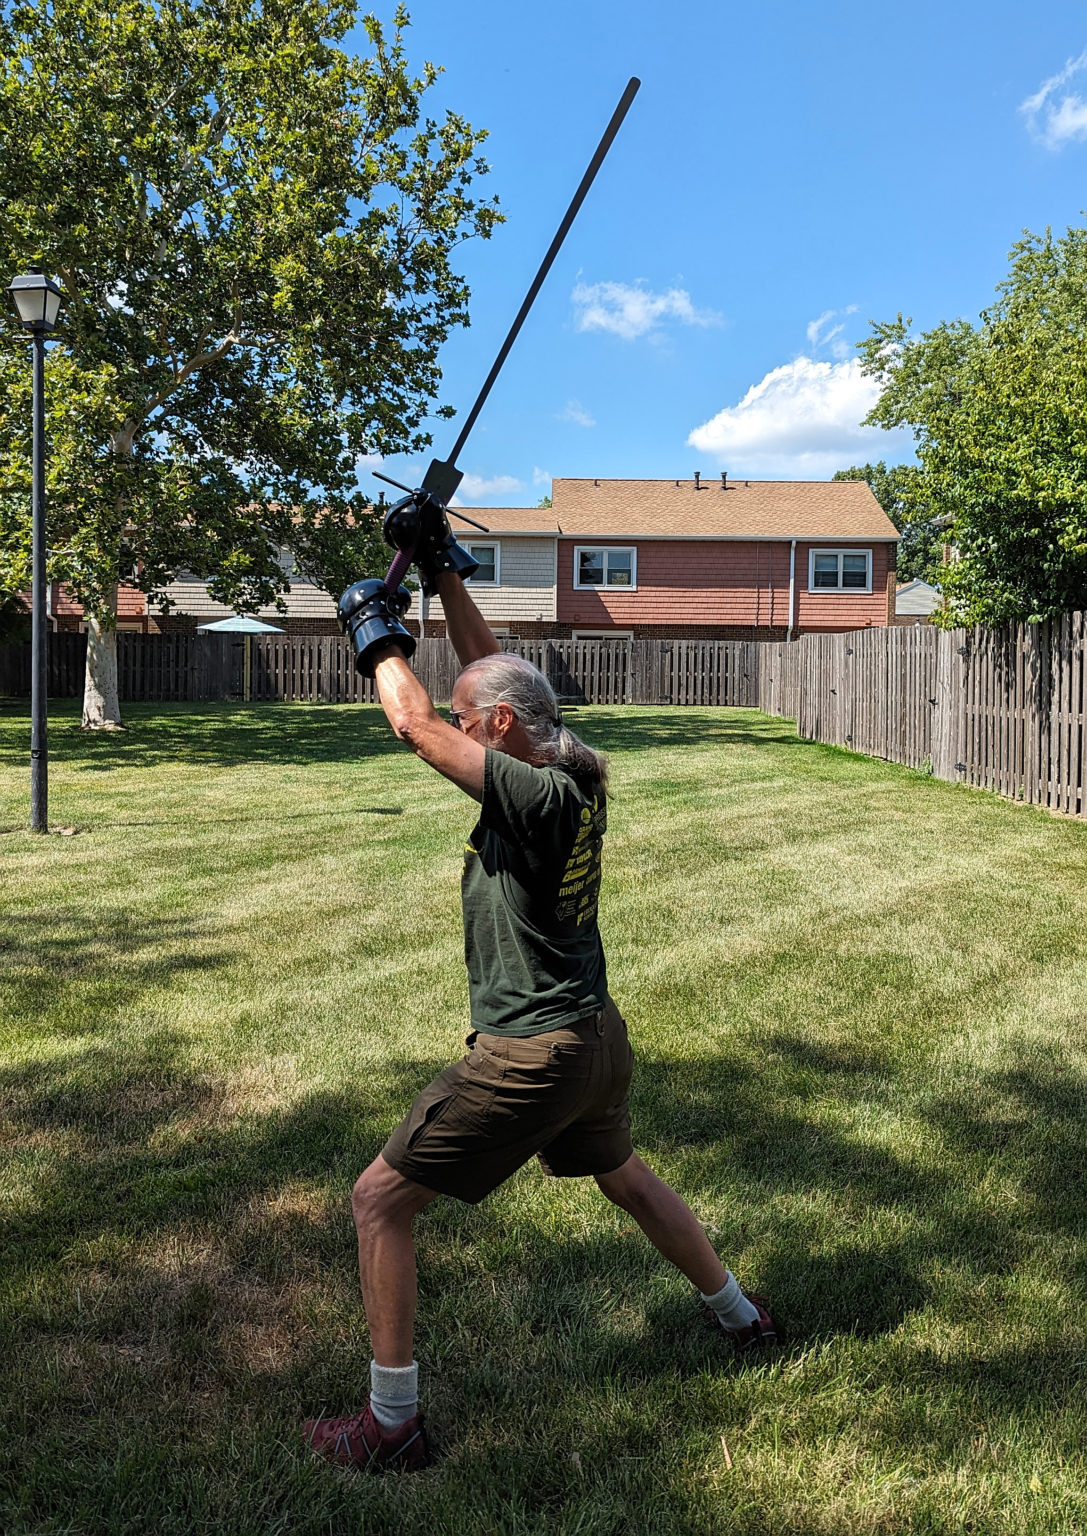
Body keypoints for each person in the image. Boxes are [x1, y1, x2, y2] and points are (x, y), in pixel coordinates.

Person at [304, 562, 775, 1473]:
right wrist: (441, 572)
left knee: (378, 1201)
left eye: (469, 718)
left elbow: (413, 725)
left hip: (535, 1054)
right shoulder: (565, 768)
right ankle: (741, 1315)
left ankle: (391, 1426)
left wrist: (373, 629)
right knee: (624, 1178)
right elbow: (501, 680)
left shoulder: (534, 795)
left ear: (499, 729)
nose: (457, 723)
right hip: (596, 1038)